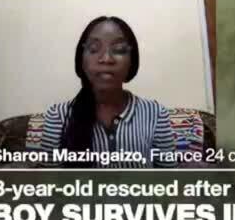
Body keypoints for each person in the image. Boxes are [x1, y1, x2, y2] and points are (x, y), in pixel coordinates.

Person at [38, 15, 177, 168]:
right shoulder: (58, 116)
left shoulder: (155, 113)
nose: (106, 59)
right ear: (81, 61)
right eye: (94, 49)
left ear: (132, 61)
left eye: (119, 50)